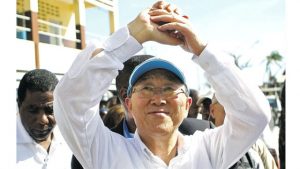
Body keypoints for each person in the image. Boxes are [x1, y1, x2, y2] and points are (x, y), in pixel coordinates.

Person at [54, 1, 270, 168]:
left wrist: (202, 50)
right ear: (128, 103)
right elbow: (70, 100)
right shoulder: (105, 152)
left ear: (187, 105)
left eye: (169, 89)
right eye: (147, 88)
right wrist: (134, 35)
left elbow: (255, 115)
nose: (158, 99)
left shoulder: (208, 149)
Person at [17, 69, 72, 169]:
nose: (42, 120)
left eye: (50, 110)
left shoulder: (72, 141)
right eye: (33, 110)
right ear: (19, 105)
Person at [209, 94, 278, 169]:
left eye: (239, 112)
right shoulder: (202, 143)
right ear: (212, 111)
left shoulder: (256, 146)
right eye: (228, 111)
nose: (235, 117)